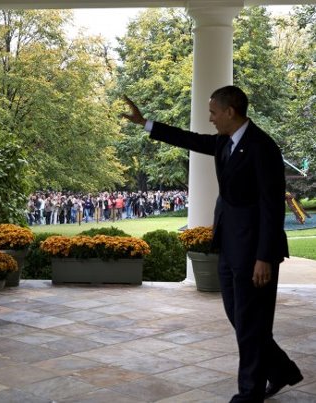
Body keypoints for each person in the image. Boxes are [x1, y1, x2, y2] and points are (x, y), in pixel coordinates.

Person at [122, 85, 303, 403]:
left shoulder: (262, 147)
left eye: (213, 112)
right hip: (230, 245)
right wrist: (145, 123)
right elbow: (190, 140)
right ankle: (282, 369)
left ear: (230, 111)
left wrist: (264, 257)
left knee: (249, 323)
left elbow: (272, 205)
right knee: (241, 317)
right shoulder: (224, 142)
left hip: (255, 251)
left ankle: (250, 392)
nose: (210, 118)